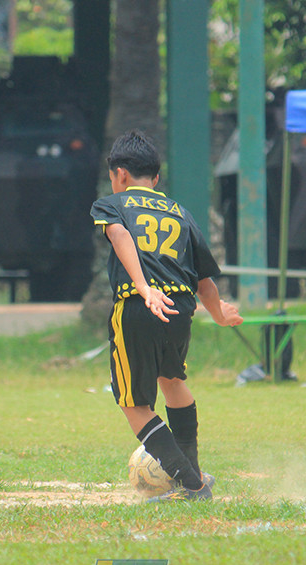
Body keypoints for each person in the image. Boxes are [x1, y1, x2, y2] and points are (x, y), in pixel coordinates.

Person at [90, 129, 242, 503]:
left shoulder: (112, 203)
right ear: (155, 179)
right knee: (172, 381)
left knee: (133, 404)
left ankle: (192, 484)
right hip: (180, 307)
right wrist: (219, 313)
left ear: (119, 174)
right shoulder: (181, 213)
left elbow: (120, 237)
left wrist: (143, 288)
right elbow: (203, 279)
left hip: (140, 305)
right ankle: (190, 475)